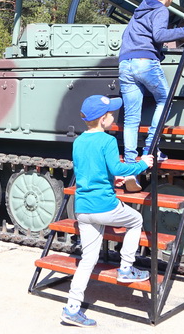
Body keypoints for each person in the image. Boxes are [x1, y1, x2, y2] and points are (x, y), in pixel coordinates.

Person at [60, 95, 154, 328]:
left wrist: (112, 179)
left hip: (83, 208)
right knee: (136, 220)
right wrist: (143, 163)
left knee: (88, 259)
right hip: (104, 206)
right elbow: (117, 166)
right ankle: (126, 268)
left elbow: (90, 170)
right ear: (103, 119)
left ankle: (72, 308)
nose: (113, 116)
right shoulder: (108, 140)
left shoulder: (78, 141)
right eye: (111, 114)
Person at [118, 0, 184, 191]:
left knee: (131, 118)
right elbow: (160, 35)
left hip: (125, 64)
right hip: (145, 63)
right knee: (165, 100)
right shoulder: (161, 9)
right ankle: (150, 150)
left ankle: (130, 167)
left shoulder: (139, 10)